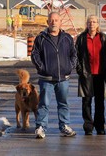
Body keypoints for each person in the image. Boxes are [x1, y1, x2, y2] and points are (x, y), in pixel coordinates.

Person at [31, 11, 77, 139]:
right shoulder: (41, 38)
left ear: (60, 22)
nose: (54, 22)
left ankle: (64, 126)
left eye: (56, 20)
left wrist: (69, 67)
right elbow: (34, 55)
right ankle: (40, 127)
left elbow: (74, 54)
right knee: (44, 104)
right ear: (47, 22)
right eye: (51, 20)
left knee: (63, 103)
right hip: (46, 79)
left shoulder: (67, 38)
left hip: (63, 79)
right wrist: (42, 68)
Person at [75, 15, 106, 136]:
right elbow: (76, 55)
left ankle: (100, 126)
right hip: (86, 74)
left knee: (99, 102)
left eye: (94, 22)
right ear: (87, 24)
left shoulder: (104, 38)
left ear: (97, 24)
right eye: (89, 22)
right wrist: (80, 69)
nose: (92, 24)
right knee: (86, 102)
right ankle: (88, 127)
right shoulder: (81, 38)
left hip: (101, 75)